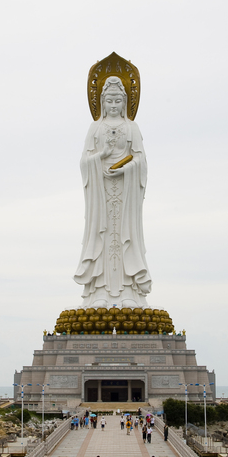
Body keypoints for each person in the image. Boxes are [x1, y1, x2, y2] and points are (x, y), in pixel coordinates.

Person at [74, 75, 152, 308]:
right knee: (103, 235)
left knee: (125, 235)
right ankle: (99, 293)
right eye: (109, 100)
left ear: (125, 102)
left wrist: (125, 169)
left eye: (118, 100)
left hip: (126, 194)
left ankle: (129, 291)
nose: (114, 105)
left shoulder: (132, 128)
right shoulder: (95, 128)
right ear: (102, 102)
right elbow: (84, 161)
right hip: (101, 194)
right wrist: (103, 155)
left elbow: (141, 160)